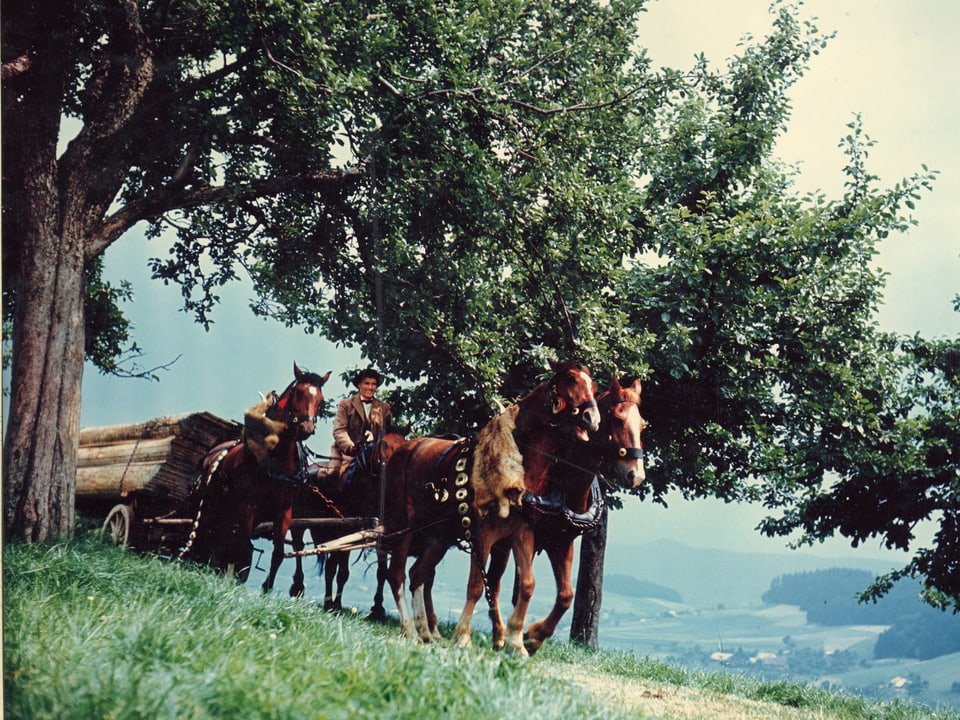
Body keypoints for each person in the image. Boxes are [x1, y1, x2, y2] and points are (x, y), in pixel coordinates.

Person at [332, 368, 393, 461]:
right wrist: (350, 446)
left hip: (375, 454)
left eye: (373, 384)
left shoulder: (385, 407)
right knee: (332, 472)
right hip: (346, 453)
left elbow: (388, 433)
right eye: (366, 383)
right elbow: (339, 430)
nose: (370, 387)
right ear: (359, 385)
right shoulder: (345, 404)